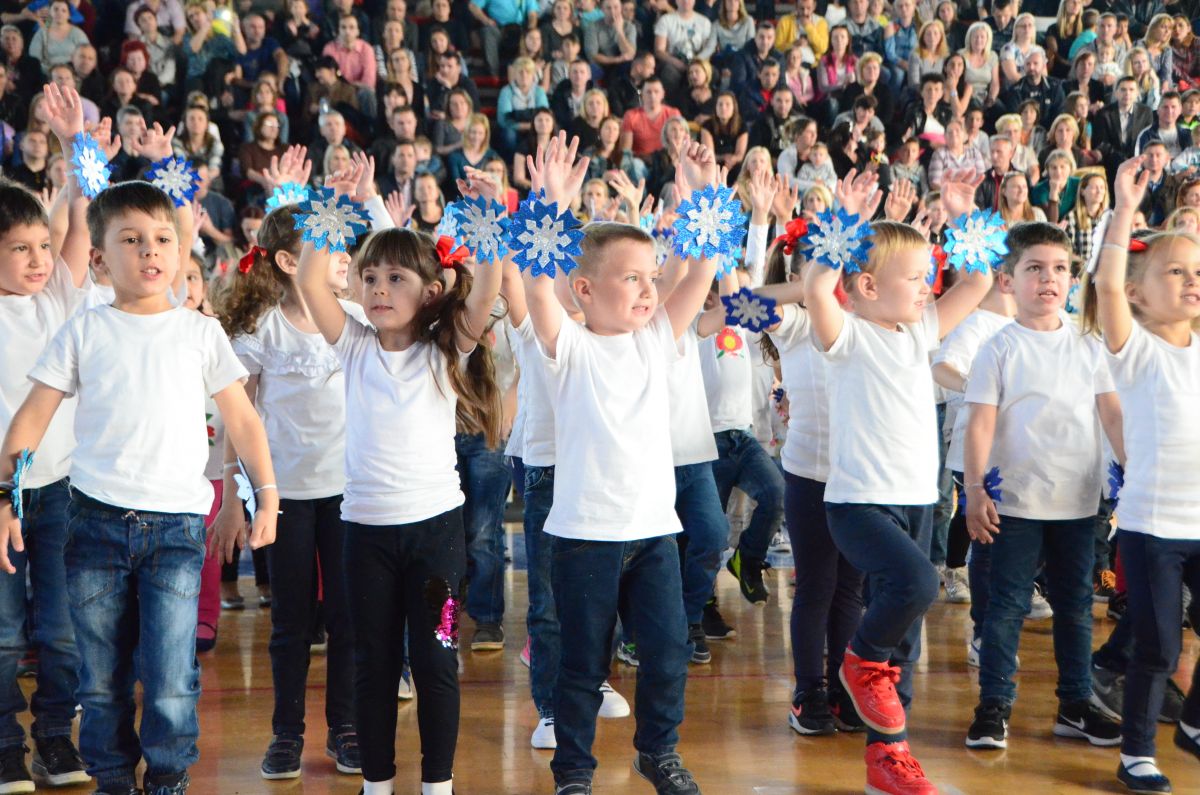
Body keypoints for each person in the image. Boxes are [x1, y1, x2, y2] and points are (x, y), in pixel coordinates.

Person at [1, 109, 276, 795]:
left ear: (181, 254)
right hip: (93, 523)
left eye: (162, 239)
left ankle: (170, 779)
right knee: (100, 678)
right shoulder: (83, 329)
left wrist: (265, 493)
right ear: (99, 259)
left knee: (172, 678)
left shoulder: (200, 332)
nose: (150, 250)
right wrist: (6, 494)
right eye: (131, 239)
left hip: (177, 529)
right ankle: (115, 778)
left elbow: (241, 416)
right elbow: (32, 419)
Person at [295, 159, 502, 795]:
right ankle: (378, 782)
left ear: (432, 290)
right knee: (373, 663)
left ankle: (436, 783)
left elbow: (487, 290)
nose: (380, 288)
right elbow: (308, 275)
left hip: (437, 538)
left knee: (438, 658)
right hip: (367, 540)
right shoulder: (353, 343)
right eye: (370, 277)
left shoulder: (447, 346)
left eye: (397, 278)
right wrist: (330, 209)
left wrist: (489, 215)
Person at [520, 131, 712, 795]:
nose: (648, 288)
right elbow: (536, 287)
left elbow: (702, 271)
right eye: (632, 277)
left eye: (652, 277)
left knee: (666, 653)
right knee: (581, 663)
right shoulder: (568, 346)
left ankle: (657, 751)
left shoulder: (656, 338)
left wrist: (700, 195)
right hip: (583, 537)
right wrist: (551, 206)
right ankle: (573, 769)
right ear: (585, 286)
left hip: (654, 532)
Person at [803, 167, 994, 795]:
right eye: (914, 278)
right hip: (858, 503)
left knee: (904, 640)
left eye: (925, 276)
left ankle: (889, 755)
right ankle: (855, 662)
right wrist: (844, 224)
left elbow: (981, 279)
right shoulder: (847, 335)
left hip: (917, 500)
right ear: (867, 284)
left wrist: (963, 212)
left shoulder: (919, 332)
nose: (926, 286)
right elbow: (815, 286)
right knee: (914, 583)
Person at [214, 192, 366, 781]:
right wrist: (232, 497)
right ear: (286, 262)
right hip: (286, 498)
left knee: (350, 617)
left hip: (351, 494)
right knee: (291, 622)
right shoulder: (261, 328)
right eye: (327, 247)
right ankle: (286, 732)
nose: (342, 257)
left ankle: (346, 728)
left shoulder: (354, 318)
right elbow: (239, 418)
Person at [961, 221, 1123, 752]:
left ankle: (1075, 704)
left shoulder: (1089, 343)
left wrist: (1133, 469)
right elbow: (980, 423)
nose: (1048, 279)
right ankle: (993, 706)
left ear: (1072, 280)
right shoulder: (998, 347)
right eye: (1034, 268)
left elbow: (1112, 413)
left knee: (1076, 605)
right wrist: (977, 490)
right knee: (1006, 606)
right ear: (1008, 280)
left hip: (1078, 501)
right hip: (1016, 502)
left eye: (1059, 269)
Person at [1086, 154, 1200, 795]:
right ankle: (1136, 754)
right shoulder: (1138, 352)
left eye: (1197, 271)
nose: (1190, 281)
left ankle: (1194, 725)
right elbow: (1104, 290)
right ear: (1137, 291)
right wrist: (1125, 211)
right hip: (1155, 525)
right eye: (1174, 271)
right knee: (1156, 646)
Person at [0, 97, 94, 793]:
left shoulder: (58, 296)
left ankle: (55, 739)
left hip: (61, 489)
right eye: (20, 249)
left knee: (61, 630)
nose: (40, 259)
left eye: (42, 246)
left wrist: (76, 140)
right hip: (3, 495)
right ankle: (5, 741)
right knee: (4, 632)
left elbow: (81, 219)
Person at [1093, 76, 1155, 171]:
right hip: (1111, 164)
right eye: (1123, 90)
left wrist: (1135, 161)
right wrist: (1122, 161)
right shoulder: (1103, 113)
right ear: (1116, 93)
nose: (1127, 93)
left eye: (1131, 90)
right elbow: (1102, 143)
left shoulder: (1146, 112)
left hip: (1138, 164)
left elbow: (1148, 139)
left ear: (1137, 93)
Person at [619, 76, 681, 160]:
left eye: (656, 92)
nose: (653, 96)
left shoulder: (673, 114)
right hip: (640, 164)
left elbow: (680, 144)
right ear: (641, 95)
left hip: (667, 161)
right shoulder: (630, 115)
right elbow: (626, 152)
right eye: (648, 92)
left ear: (663, 94)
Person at [1135, 90, 1193, 157]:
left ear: (1180, 110)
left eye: (1173, 107)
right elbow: (1139, 163)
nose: (1169, 111)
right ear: (1158, 110)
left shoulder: (1188, 134)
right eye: (1165, 107)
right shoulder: (1146, 135)